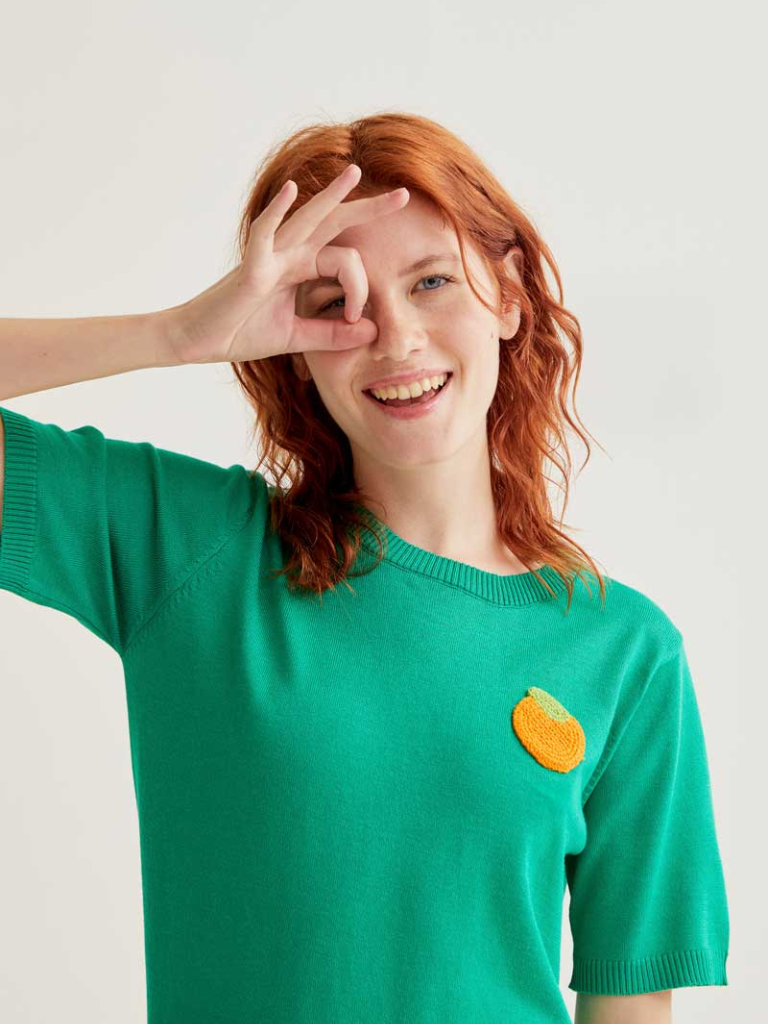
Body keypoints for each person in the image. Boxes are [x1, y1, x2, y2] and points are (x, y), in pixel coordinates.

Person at [0, 112, 729, 1024]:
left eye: (431, 281)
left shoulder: (625, 651)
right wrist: (178, 333)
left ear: (507, 296)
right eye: (335, 302)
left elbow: (631, 999)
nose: (395, 338)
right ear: (292, 346)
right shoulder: (189, 552)